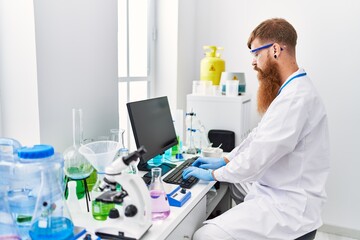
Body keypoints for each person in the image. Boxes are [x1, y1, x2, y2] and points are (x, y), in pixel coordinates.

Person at [182, 18, 330, 240]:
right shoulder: (292, 89)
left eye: (256, 54)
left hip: (288, 207)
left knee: (205, 235)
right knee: (234, 185)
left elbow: (257, 158)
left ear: (276, 50)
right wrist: (226, 160)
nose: (253, 63)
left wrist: (214, 173)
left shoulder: (296, 99)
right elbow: (257, 137)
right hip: (281, 188)